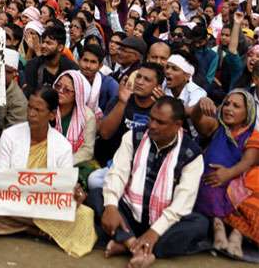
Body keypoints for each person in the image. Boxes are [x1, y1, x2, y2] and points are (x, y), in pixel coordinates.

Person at [0, 87, 96, 257]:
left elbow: (64, 187)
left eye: (38, 110)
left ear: (51, 114)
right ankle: (37, 229)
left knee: (85, 214)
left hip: (43, 207)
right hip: (14, 201)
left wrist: (74, 195)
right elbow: (1, 176)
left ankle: (17, 227)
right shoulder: (10, 135)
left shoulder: (62, 145)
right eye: (29, 107)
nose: (31, 114)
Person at [87, 97, 209, 268]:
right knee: (97, 195)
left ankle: (129, 244)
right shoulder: (133, 137)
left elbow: (183, 201)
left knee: (200, 224)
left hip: (164, 220)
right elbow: (117, 174)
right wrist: (111, 207)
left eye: (160, 122)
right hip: (129, 213)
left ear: (177, 125)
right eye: (151, 118)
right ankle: (133, 245)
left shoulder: (192, 154)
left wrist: (154, 232)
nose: (152, 125)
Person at [192, 89, 259, 258]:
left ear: (248, 112)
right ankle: (218, 227)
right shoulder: (216, 126)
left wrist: (228, 174)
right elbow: (197, 120)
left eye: (236, 106)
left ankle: (237, 235)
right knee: (210, 177)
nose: (229, 108)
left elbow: (248, 162)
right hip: (212, 180)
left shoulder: (254, 135)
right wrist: (200, 106)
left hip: (236, 180)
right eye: (227, 104)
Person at [93, 63, 165, 185]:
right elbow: (104, 133)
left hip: (144, 168)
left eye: (146, 79)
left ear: (157, 86)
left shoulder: (162, 108)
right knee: (94, 181)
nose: (140, 82)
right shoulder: (121, 99)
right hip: (114, 162)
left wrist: (161, 109)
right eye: (138, 77)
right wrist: (122, 102)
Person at [53, 70, 98, 187]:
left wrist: (64, 164)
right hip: (46, 157)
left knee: (87, 171)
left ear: (77, 94)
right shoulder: (48, 108)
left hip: (72, 163)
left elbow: (87, 150)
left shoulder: (87, 116)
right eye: (58, 86)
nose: (60, 92)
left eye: (67, 90)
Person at [22, 25, 78, 96]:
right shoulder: (33, 65)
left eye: (49, 43)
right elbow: (29, 94)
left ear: (60, 47)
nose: (43, 46)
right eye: (43, 42)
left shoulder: (71, 68)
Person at [78, 44, 118, 115]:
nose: (88, 66)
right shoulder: (70, 79)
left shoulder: (109, 84)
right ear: (79, 61)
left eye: (93, 62)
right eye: (85, 60)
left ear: (100, 66)